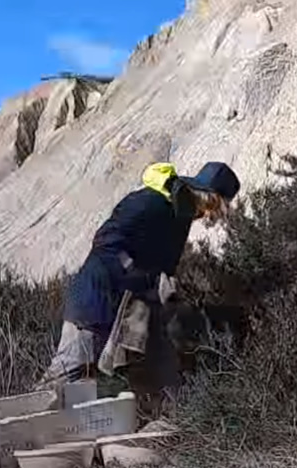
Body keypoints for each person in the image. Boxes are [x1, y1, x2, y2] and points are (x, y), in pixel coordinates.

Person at [37, 161, 240, 405]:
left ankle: (162, 429)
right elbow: (106, 242)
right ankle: (17, 428)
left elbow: (164, 265)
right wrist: (143, 276)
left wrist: (168, 289)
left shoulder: (181, 216)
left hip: (137, 307)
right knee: (67, 374)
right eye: (214, 205)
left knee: (162, 375)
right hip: (97, 298)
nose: (210, 215)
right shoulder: (149, 202)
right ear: (203, 193)